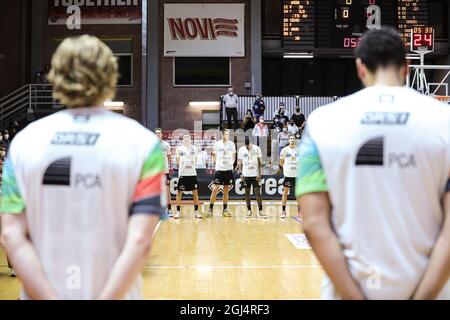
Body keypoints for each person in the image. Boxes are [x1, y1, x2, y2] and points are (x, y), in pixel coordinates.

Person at [0, 35, 166, 300]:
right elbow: (140, 241)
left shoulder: (23, 143)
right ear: (110, 75)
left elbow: (11, 234)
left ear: (56, 77)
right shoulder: (145, 144)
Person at [296, 27, 450, 300]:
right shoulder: (444, 120)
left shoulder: (321, 123)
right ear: (407, 67)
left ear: (360, 67)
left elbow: (313, 222)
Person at [207, 128, 236, 218]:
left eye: (228, 134)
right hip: (219, 169)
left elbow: (234, 156)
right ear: (222, 135)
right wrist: (213, 158)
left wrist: (231, 162)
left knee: (226, 190)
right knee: (215, 189)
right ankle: (210, 210)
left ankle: (225, 210)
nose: (227, 136)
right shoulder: (217, 144)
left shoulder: (232, 144)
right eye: (226, 134)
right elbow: (213, 157)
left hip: (228, 169)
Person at [237, 136, 266, 218]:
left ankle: (260, 210)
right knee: (247, 193)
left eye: (248, 145)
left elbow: (260, 163)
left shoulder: (257, 149)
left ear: (251, 143)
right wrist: (240, 173)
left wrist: (260, 174)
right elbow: (240, 162)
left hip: (255, 175)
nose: (247, 147)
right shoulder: (241, 149)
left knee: (257, 193)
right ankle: (249, 210)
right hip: (246, 175)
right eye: (246, 145)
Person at [174, 134, 201, 219]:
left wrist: (189, 163)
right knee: (179, 193)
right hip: (182, 174)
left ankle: (196, 212)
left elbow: (196, 160)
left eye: (188, 137)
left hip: (192, 174)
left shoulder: (194, 148)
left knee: (195, 193)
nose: (186, 138)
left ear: (190, 139)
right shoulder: (179, 149)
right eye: (185, 137)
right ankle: (178, 212)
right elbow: (177, 162)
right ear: (182, 140)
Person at [280, 135, 300, 219]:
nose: (292, 140)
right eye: (291, 138)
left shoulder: (299, 150)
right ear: (289, 140)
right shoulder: (284, 150)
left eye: (293, 139)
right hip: (288, 175)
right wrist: (286, 168)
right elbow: (281, 163)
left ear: (295, 140)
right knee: (285, 192)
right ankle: (283, 211)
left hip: (297, 175)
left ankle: (300, 211)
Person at [155, 128, 173, 217]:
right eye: (156, 133)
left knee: (167, 190)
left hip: (164, 171)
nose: (158, 134)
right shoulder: (152, 145)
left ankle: (169, 209)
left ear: (162, 135)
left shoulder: (166, 144)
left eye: (159, 133)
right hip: (155, 172)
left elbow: (169, 157)